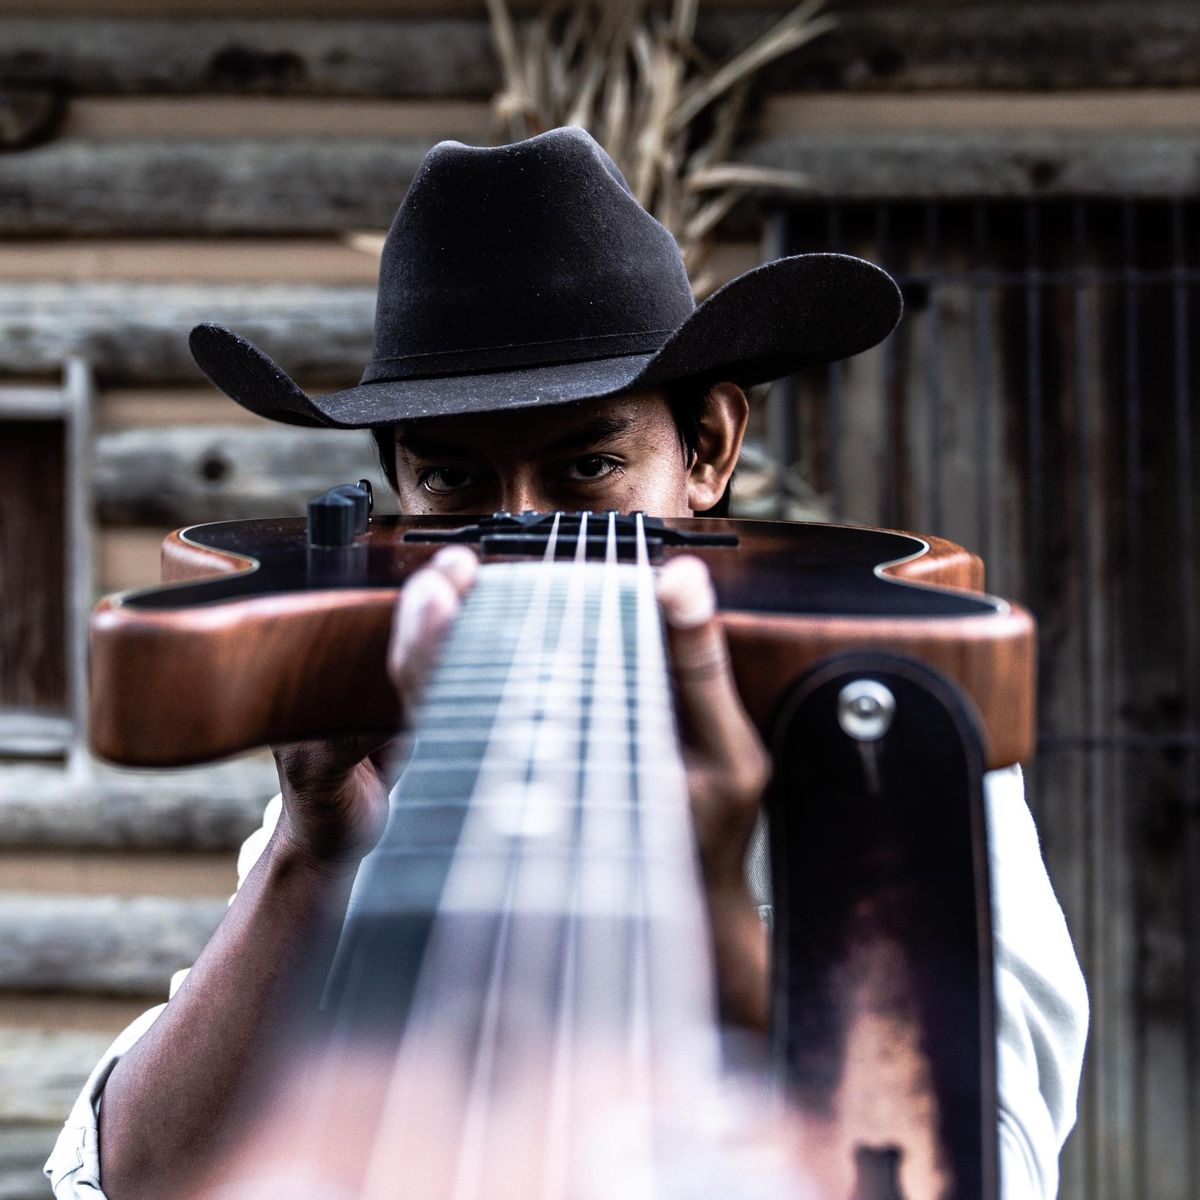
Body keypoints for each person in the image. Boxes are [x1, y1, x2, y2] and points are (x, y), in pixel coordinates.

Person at [46, 127, 1087, 1200]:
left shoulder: (875, 720)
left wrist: (728, 927)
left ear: (709, 449)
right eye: (453, 481)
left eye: (588, 465)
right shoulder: (380, 739)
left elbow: (988, 1169)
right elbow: (129, 1183)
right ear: (397, 489)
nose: (521, 535)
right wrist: (311, 854)